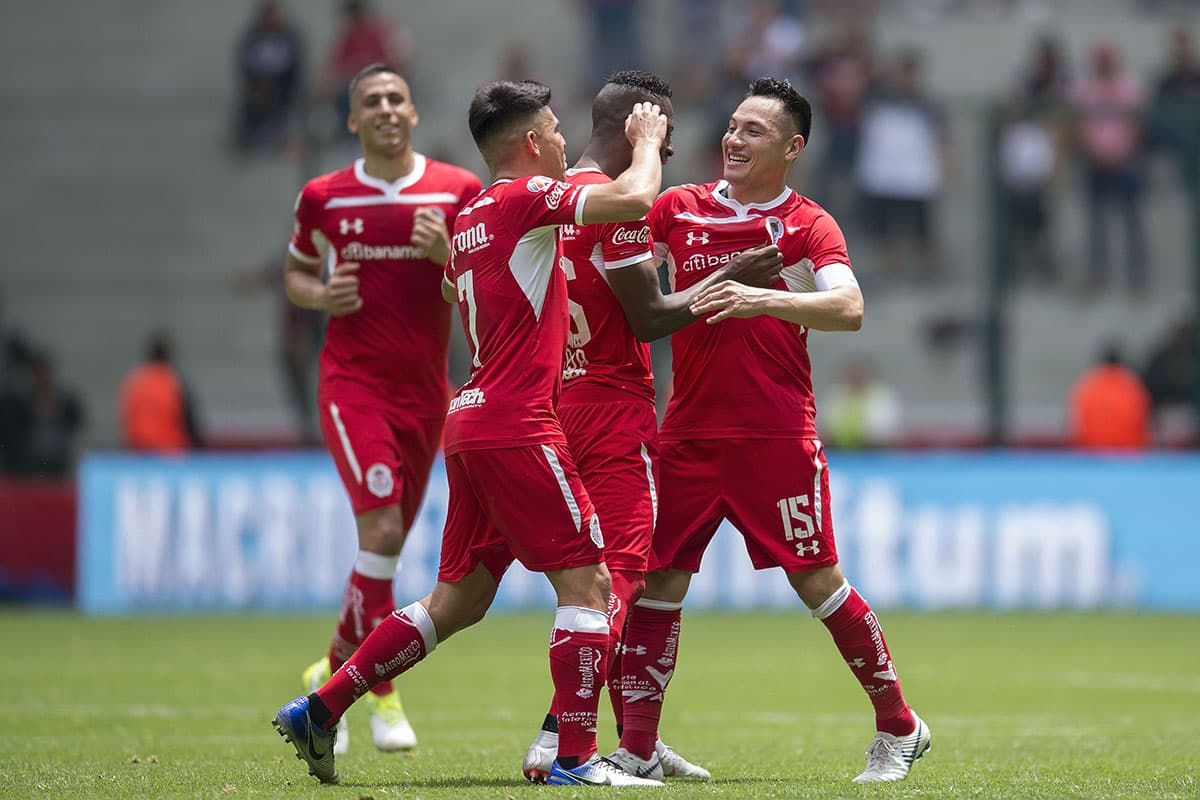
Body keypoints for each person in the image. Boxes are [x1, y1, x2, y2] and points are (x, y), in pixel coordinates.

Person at [273, 80, 670, 787]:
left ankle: (322, 707)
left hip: (471, 417)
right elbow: (633, 199)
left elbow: (469, 292)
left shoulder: (468, 222)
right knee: (588, 584)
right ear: (529, 143)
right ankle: (575, 759)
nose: (558, 139)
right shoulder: (524, 198)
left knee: (458, 600)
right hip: (521, 423)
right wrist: (643, 142)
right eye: (551, 128)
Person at [609, 77, 931, 784]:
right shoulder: (679, 209)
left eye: (754, 130)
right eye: (732, 125)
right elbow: (630, 272)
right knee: (659, 582)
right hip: (688, 434)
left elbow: (848, 306)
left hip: (775, 436)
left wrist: (762, 296)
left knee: (817, 581)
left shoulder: (809, 223)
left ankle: (900, 726)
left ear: (793, 148)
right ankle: (636, 749)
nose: (734, 138)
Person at [519, 70, 785, 783]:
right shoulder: (623, 203)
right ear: (648, 127)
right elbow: (650, 317)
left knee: (574, 586)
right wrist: (737, 277)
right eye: (664, 134)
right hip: (613, 410)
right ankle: (561, 735)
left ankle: (635, 739)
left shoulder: (548, 197)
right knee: (624, 579)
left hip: (551, 403)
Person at [281, 63, 482, 755]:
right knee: (385, 529)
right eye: (372, 101)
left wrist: (447, 256)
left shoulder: (458, 190)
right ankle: (380, 696)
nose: (387, 108)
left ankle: (331, 670)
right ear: (352, 119)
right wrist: (319, 295)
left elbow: (482, 292)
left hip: (428, 394)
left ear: (414, 113)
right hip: (353, 386)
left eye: (397, 98)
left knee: (384, 539)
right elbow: (297, 274)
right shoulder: (325, 197)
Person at [233, 0, 305, 155]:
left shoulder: (290, 37)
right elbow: (244, 68)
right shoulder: (252, 38)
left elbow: (296, 70)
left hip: (283, 90)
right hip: (258, 90)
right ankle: (251, 141)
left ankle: (282, 140)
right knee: (250, 106)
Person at [119, 332, 202, 453]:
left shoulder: (134, 383)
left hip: (139, 452)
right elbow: (189, 420)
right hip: (171, 452)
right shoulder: (174, 382)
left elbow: (126, 418)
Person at [1068, 343, 1151, 451]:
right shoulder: (1133, 386)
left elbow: (1076, 426)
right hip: (1127, 451)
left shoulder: (1087, 386)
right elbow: (1143, 424)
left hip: (1092, 451)